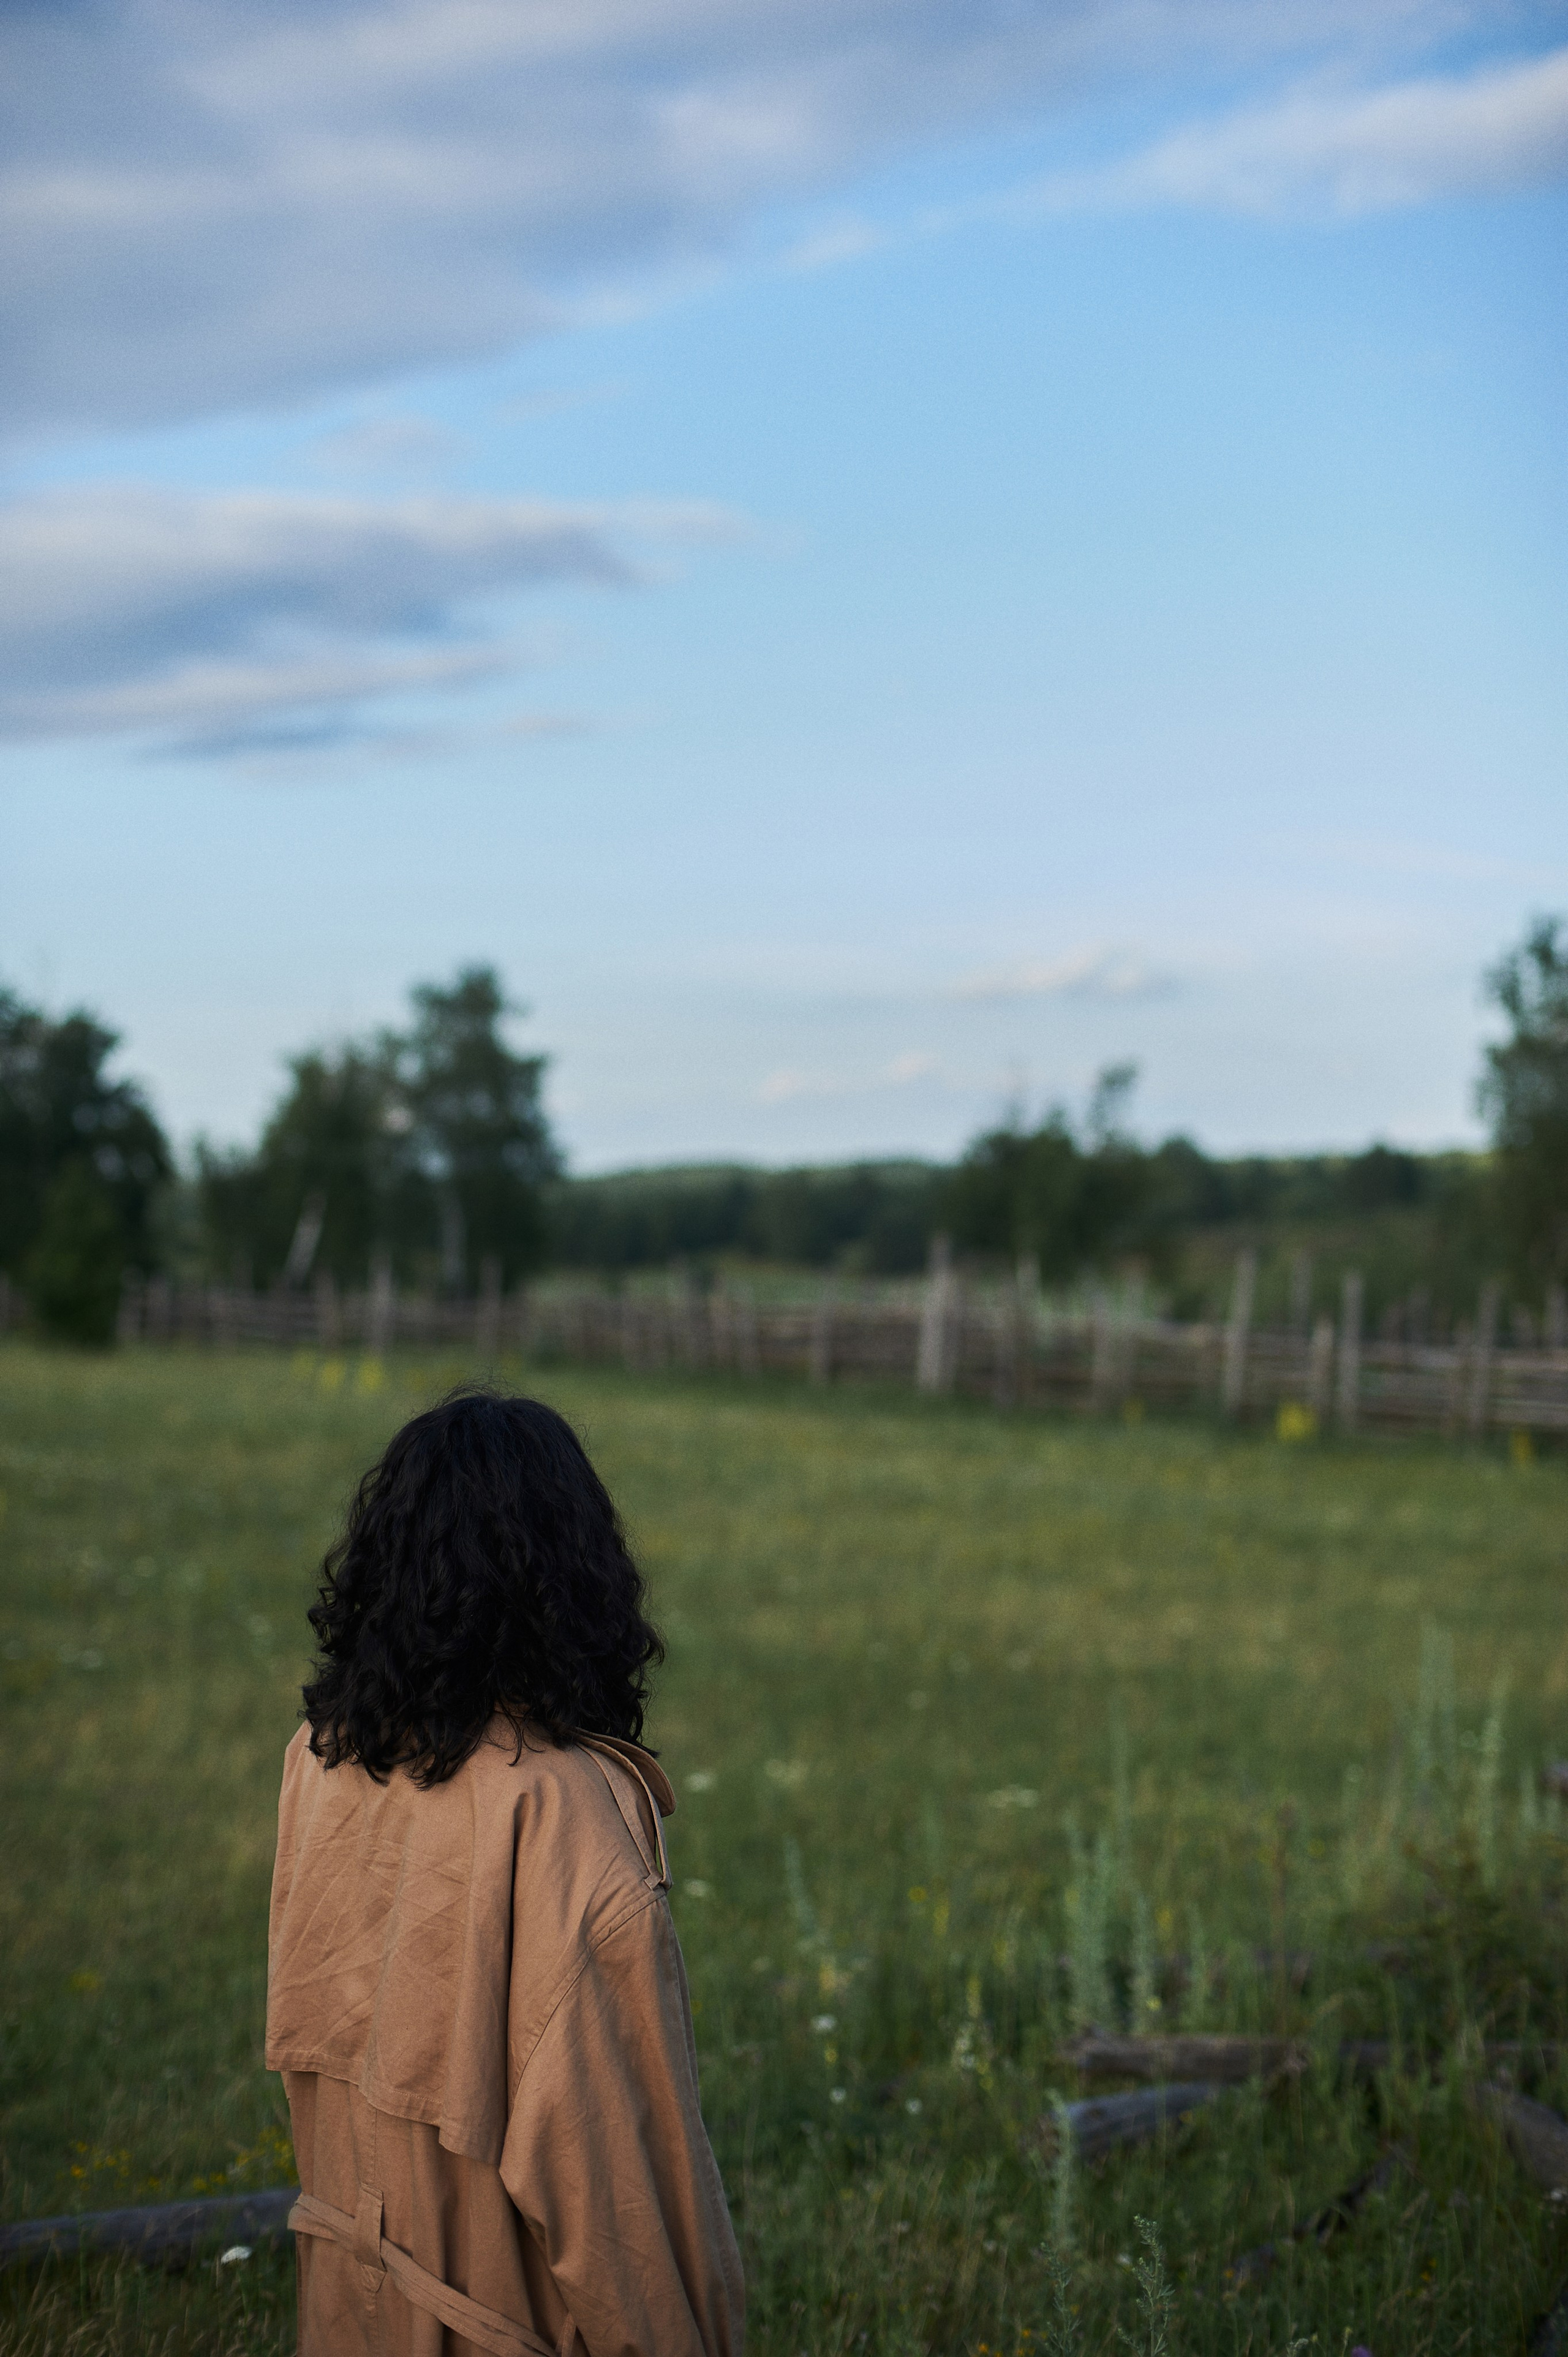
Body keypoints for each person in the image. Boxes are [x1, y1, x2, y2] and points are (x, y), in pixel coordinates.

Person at [266, 1388, 745, 2357]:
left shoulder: (320, 1759)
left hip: (343, 2318)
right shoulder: (559, 1812)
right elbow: (619, 2202)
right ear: (575, 1573)